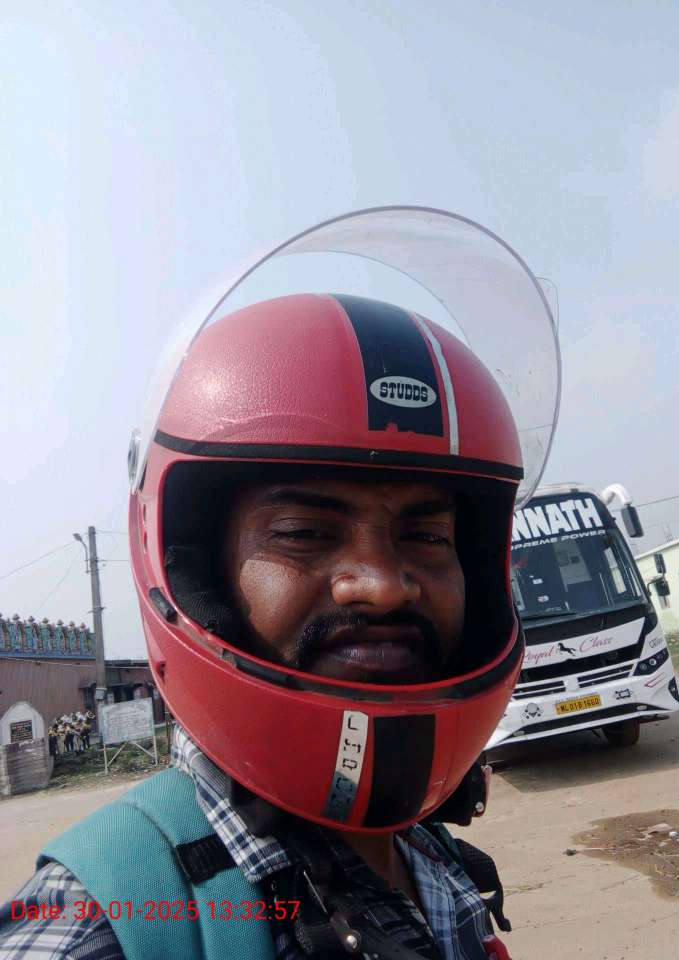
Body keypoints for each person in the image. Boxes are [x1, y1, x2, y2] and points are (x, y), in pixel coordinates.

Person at [0, 212, 558, 960]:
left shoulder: (430, 856)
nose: (382, 586)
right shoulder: (99, 923)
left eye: (426, 536)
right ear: (198, 570)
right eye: (304, 533)